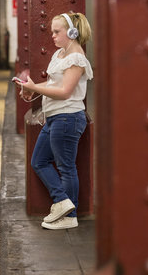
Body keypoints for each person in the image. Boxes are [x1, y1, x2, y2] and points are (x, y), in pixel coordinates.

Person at [15, 12, 93, 230]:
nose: (53, 36)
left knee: (66, 167)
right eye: (52, 31)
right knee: (38, 161)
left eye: (57, 31)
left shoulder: (77, 58)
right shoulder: (59, 54)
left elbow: (66, 91)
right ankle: (62, 201)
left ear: (71, 32)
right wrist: (33, 92)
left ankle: (70, 215)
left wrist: (34, 87)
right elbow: (53, 86)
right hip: (54, 117)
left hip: (68, 117)